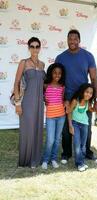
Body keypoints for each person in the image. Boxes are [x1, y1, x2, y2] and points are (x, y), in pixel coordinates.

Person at [55, 29, 97, 164]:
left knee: (86, 128)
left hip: (84, 99)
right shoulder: (60, 57)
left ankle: (86, 152)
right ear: (67, 40)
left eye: (75, 38)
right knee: (65, 129)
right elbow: (57, 79)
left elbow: (94, 79)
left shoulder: (88, 56)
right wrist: (62, 99)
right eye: (70, 38)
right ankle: (67, 153)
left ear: (79, 41)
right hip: (67, 98)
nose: (72, 41)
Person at [14, 37, 45, 168]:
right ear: (28, 48)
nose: (34, 49)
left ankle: (35, 159)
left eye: (37, 46)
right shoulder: (23, 63)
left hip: (39, 102)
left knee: (37, 129)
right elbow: (16, 83)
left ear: (40, 48)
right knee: (27, 130)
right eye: (32, 46)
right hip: (26, 102)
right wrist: (17, 103)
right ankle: (26, 160)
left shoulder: (43, 65)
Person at [42, 63, 66, 170]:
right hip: (50, 116)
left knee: (57, 139)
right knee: (50, 139)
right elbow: (42, 97)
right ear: (51, 73)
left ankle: (54, 159)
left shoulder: (62, 86)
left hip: (61, 115)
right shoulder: (45, 85)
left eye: (59, 73)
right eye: (55, 73)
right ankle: (45, 160)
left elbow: (63, 99)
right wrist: (43, 98)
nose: (57, 75)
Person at [68, 83, 95, 172]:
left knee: (83, 145)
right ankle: (79, 164)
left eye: (91, 93)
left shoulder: (88, 102)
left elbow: (90, 109)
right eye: (87, 92)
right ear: (82, 91)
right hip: (75, 124)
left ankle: (82, 161)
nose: (88, 94)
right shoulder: (76, 101)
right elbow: (69, 112)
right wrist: (70, 125)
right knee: (77, 144)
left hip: (85, 124)